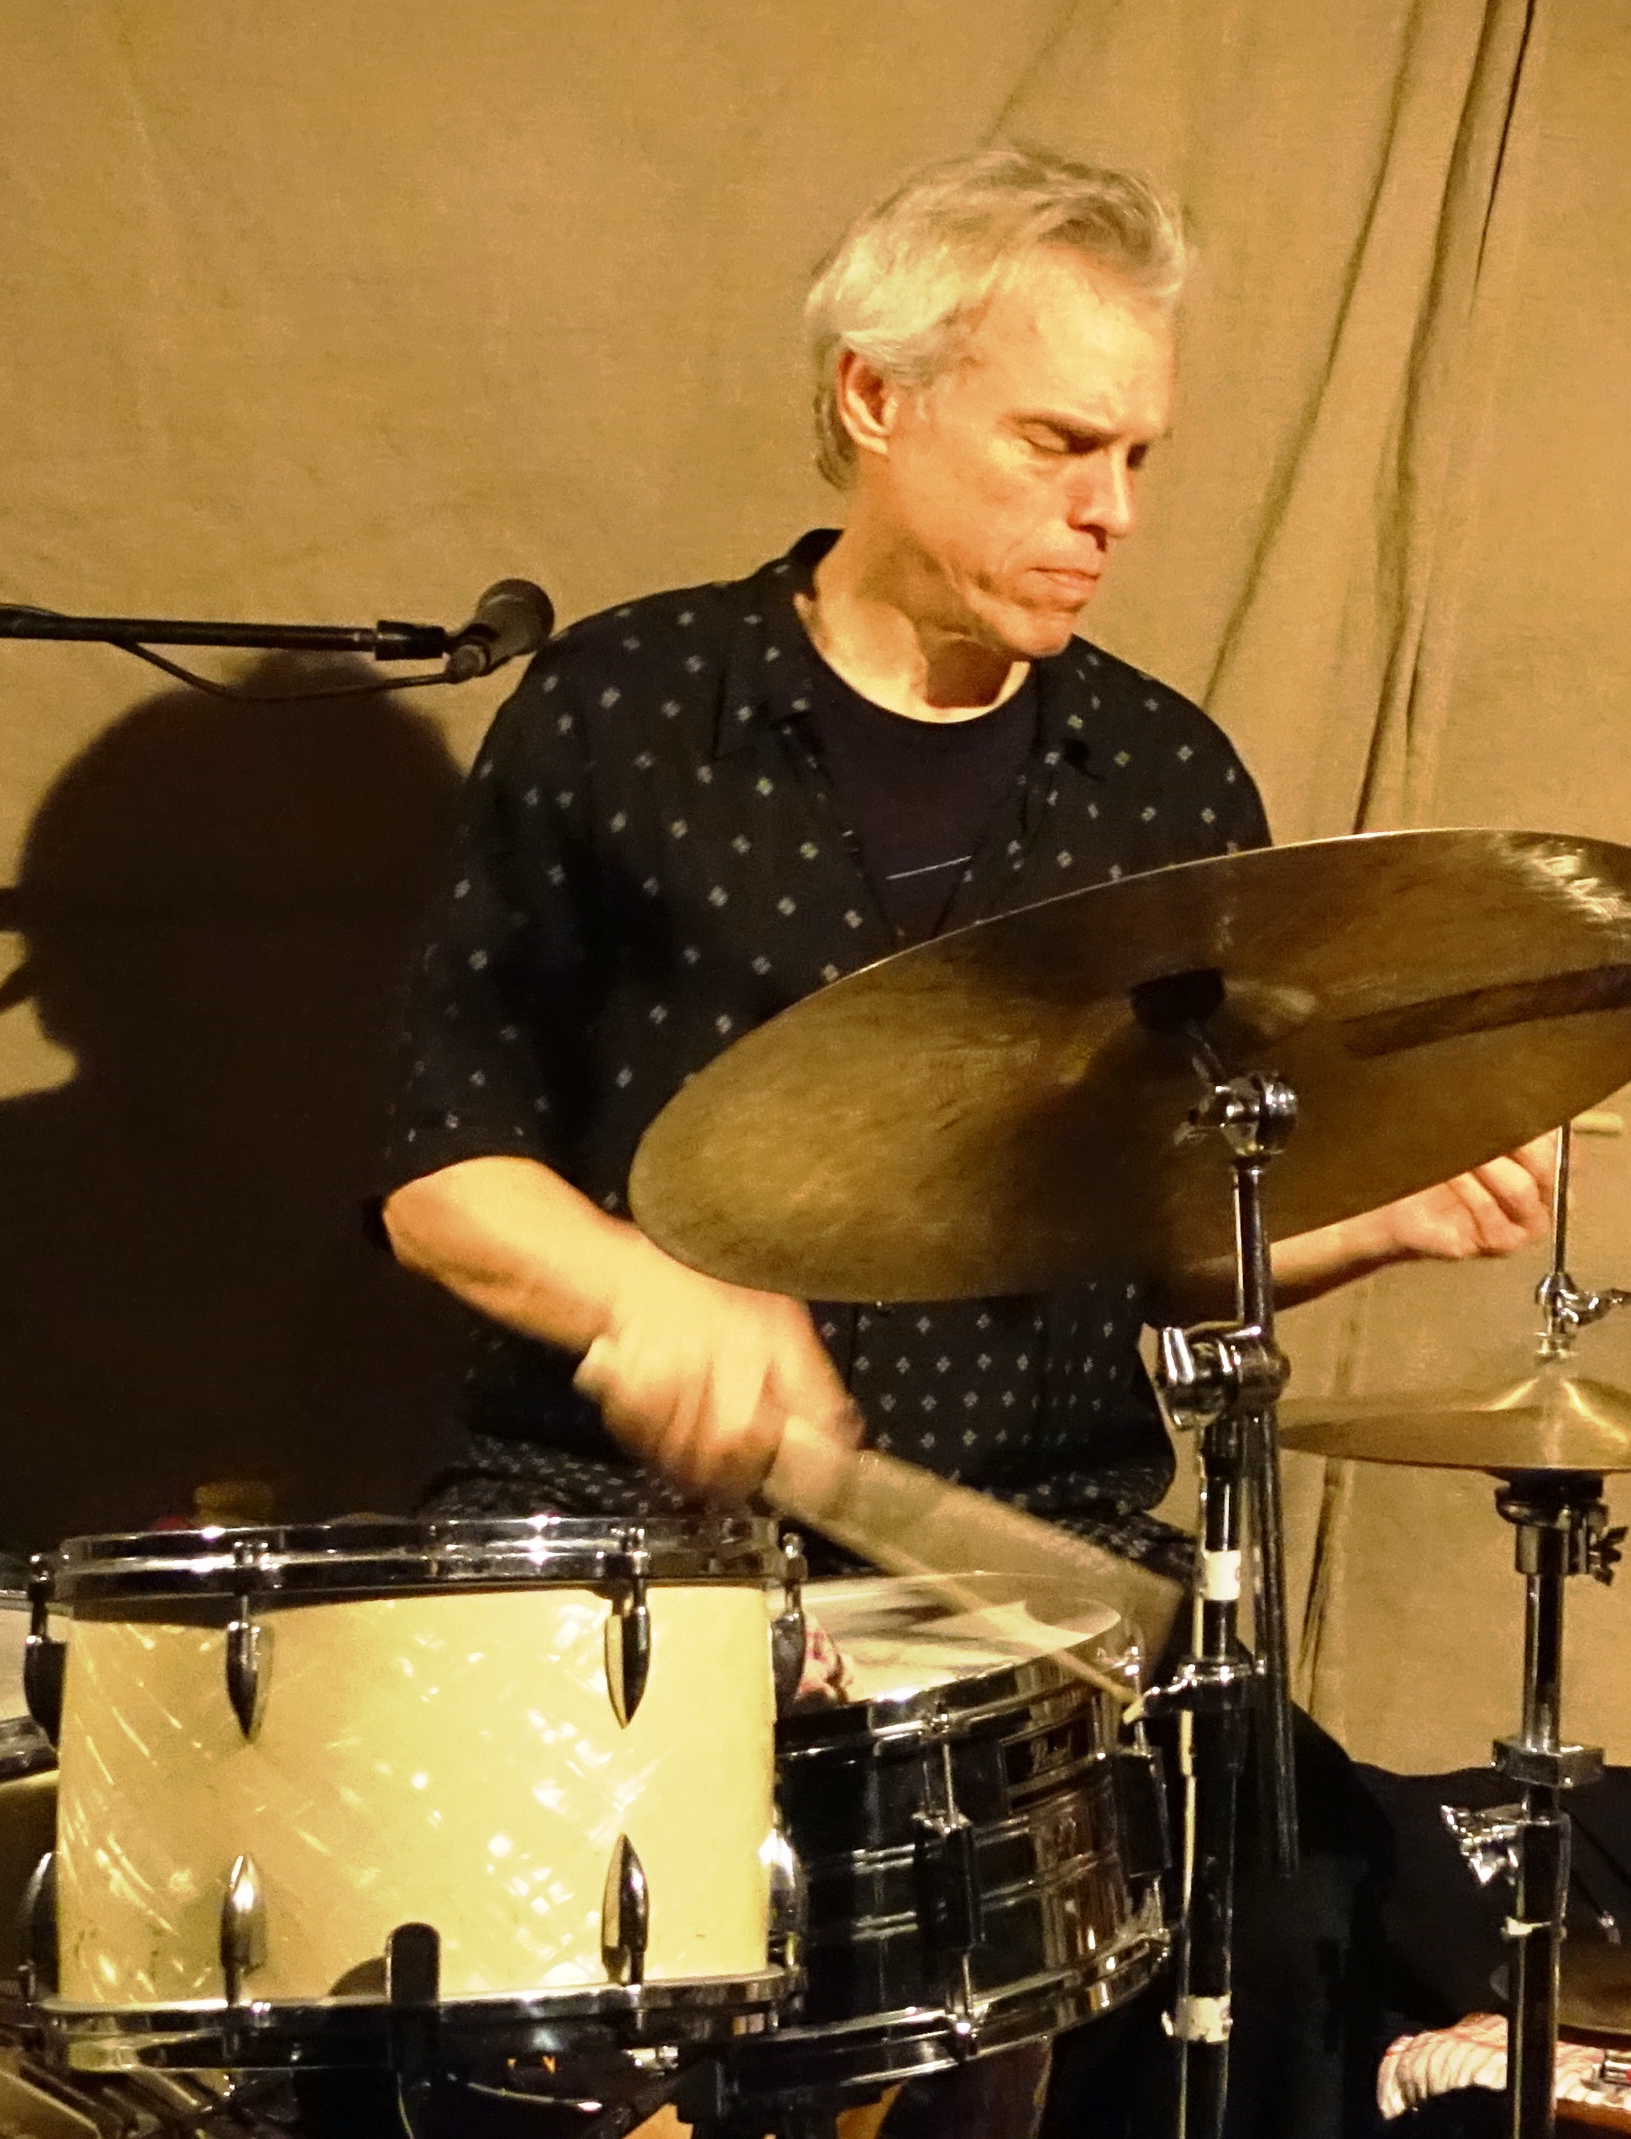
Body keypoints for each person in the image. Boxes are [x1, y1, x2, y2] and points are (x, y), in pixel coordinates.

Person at [382, 141, 1544, 1539]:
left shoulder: (1165, 784)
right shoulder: (624, 706)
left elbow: (1139, 1245)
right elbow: (439, 1163)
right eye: (1057, 443)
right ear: (876, 397)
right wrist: (640, 1285)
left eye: (1135, 457)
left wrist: (1375, 1215)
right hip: (622, 1538)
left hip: (1031, 1557)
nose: (1110, 509)